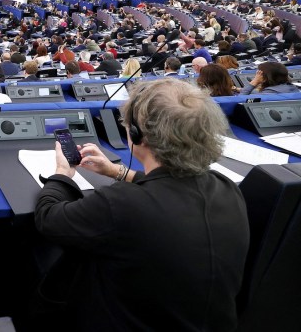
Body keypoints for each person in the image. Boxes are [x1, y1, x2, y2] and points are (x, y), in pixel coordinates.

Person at [34, 78, 249, 331]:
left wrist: (62, 172)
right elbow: (167, 185)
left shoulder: (121, 204)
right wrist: (117, 171)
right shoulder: (226, 187)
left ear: (138, 134)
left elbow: (48, 218)